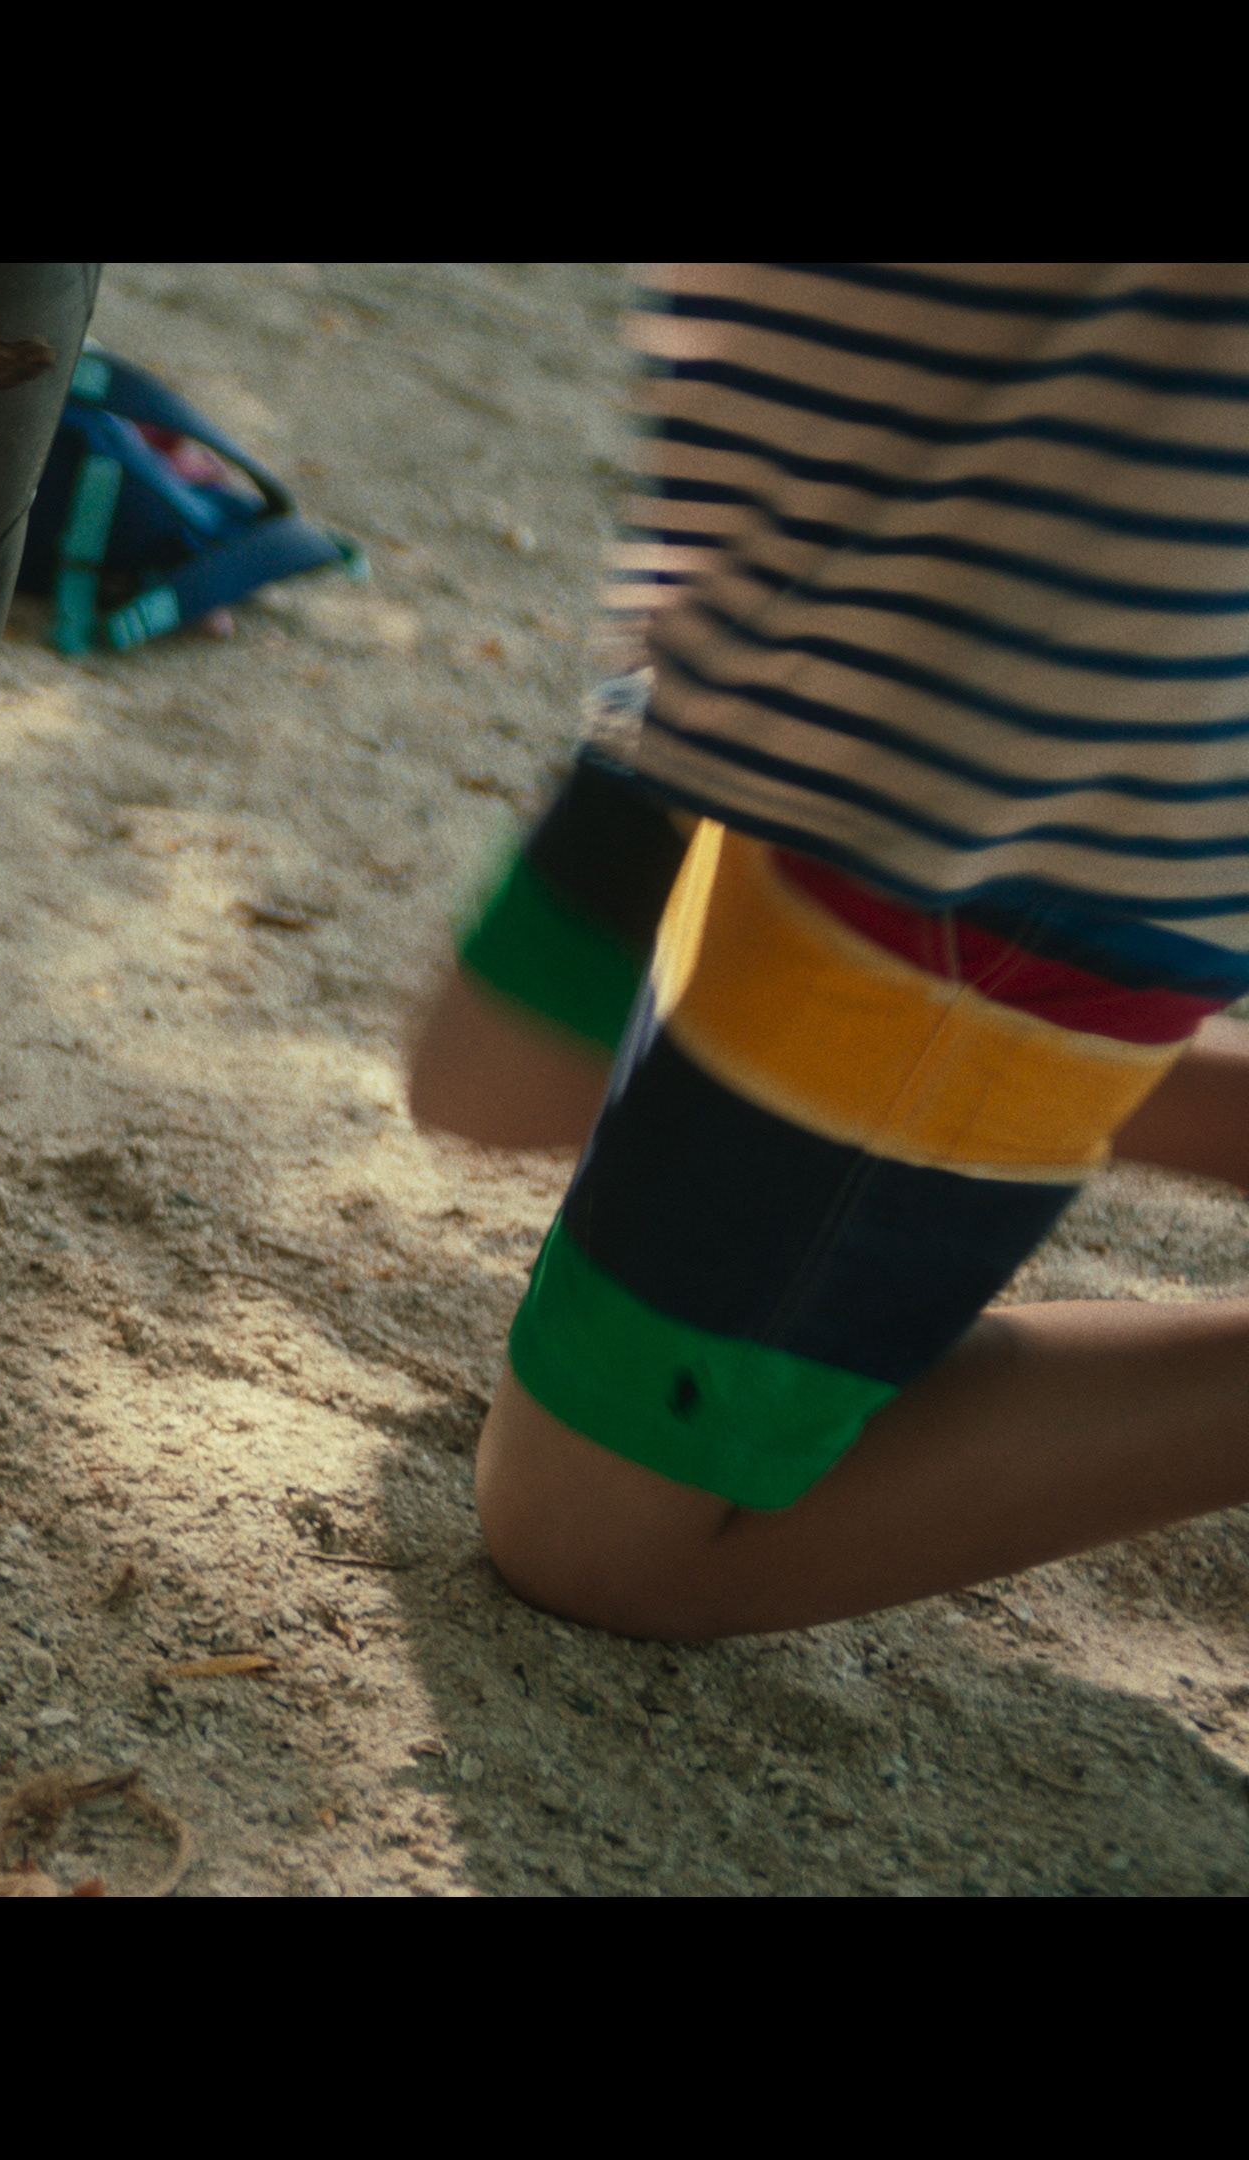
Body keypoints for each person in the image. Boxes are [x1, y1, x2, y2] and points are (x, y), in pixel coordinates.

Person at [407, 263, 1249, 1640]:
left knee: (591, 1540)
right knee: (488, 1076)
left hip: (986, 794)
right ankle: (1053, 1094)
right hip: (773, 626)